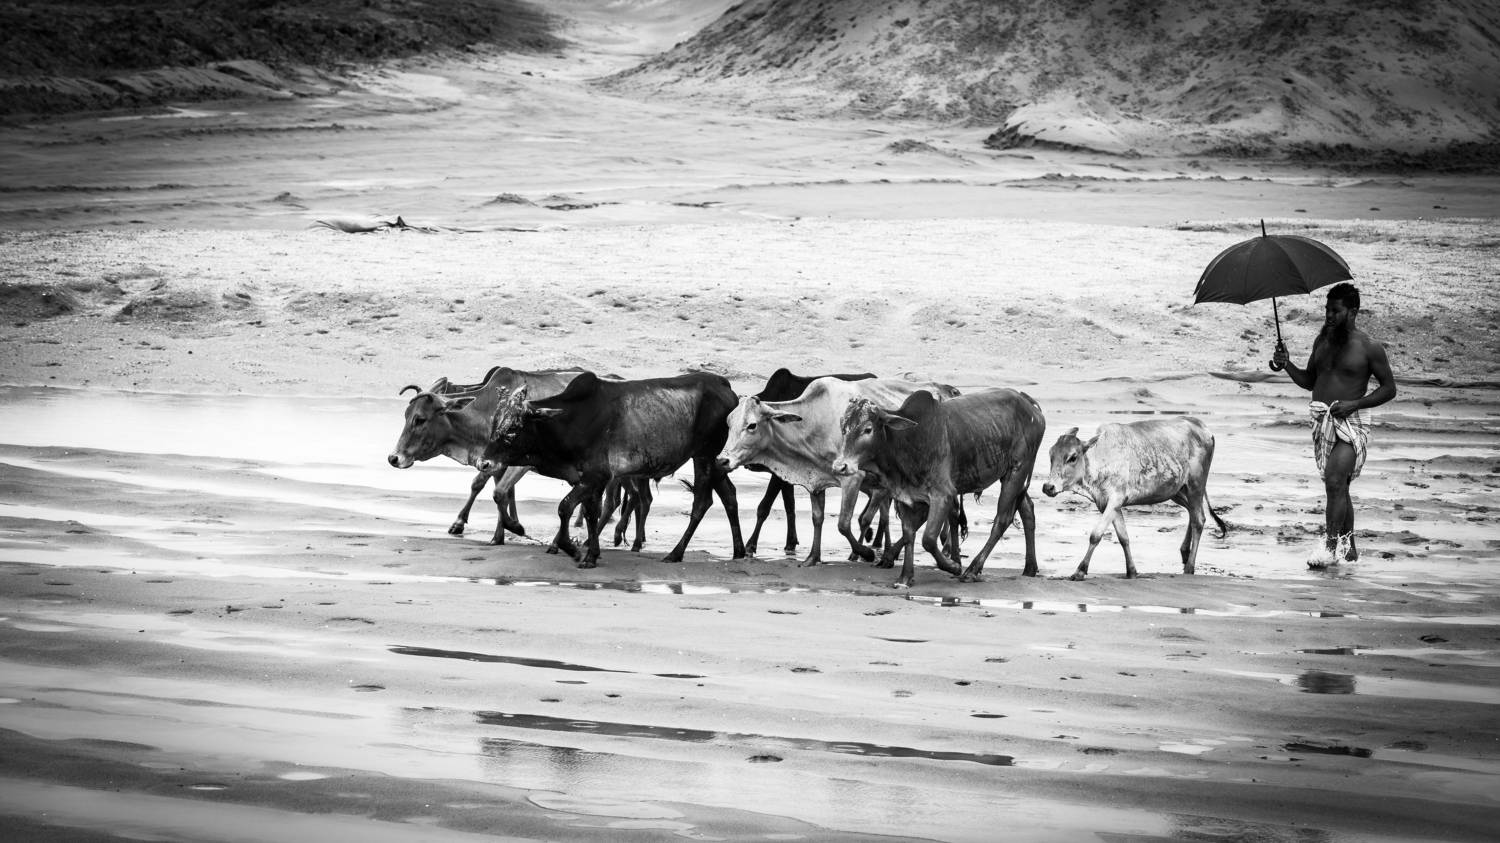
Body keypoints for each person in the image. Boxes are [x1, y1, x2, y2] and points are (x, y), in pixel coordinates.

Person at [1272, 282, 1396, 567]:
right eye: (1327, 309)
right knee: (1340, 486)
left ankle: (1328, 548)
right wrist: (1286, 363)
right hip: (1322, 421)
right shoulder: (1322, 341)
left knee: (1335, 481)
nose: (1329, 315)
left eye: (1336, 310)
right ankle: (1349, 549)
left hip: (1352, 421)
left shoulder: (1369, 347)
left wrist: (1356, 403)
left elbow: (1389, 389)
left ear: (1353, 312)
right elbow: (1309, 381)